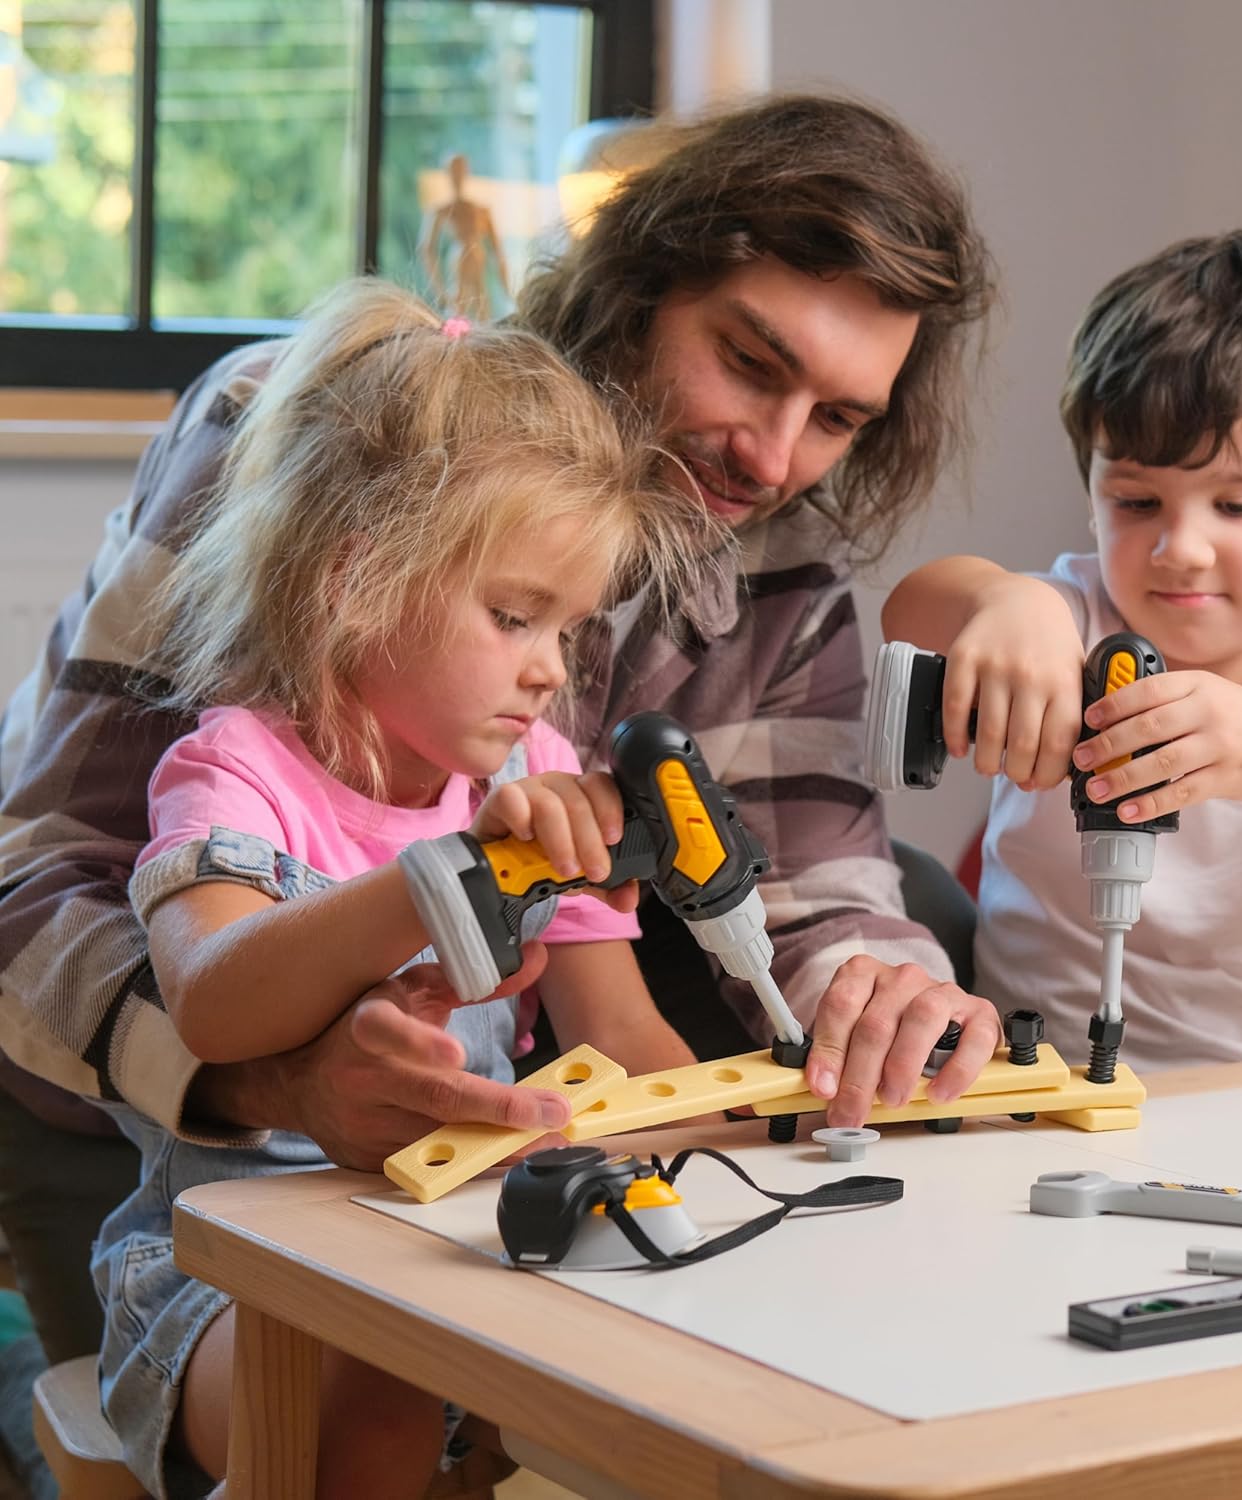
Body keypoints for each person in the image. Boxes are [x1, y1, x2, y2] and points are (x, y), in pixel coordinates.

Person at [0, 92, 999, 1369]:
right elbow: (40, 874)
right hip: (130, 1110)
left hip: (448, 1140)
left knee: (919, 900)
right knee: (212, 1400)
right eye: (749, 362)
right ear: (638, 285)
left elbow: (810, 893)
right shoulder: (313, 427)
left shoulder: (776, 560)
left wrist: (882, 998)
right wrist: (273, 1091)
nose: (774, 455)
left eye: (842, 419)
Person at [94, 277, 715, 1499]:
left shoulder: (536, 773)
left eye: (570, 634)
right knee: (377, 1383)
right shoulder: (231, 772)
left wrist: (797, 1120)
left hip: (459, 1243)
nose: (549, 674)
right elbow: (214, 1005)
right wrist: (443, 877)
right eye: (515, 616)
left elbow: (628, 1038)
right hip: (227, 1276)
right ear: (355, 579)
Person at [882, 229, 1242, 1070]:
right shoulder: (1065, 615)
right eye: (1138, 500)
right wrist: (1004, 598)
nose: (1180, 547)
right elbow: (908, 611)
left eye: (1238, 506)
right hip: (1041, 1075)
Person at [420, 151, 511, 319]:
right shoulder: (441, 211)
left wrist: (507, 290)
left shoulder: (481, 211)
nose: (457, 175)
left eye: (460, 170)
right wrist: (439, 292)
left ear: (467, 172)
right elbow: (426, 250)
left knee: (482, 313)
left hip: (479, 274)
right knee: (458, 315)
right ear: (447, 174)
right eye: (453, 171)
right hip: (457, 273)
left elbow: (497, 252)